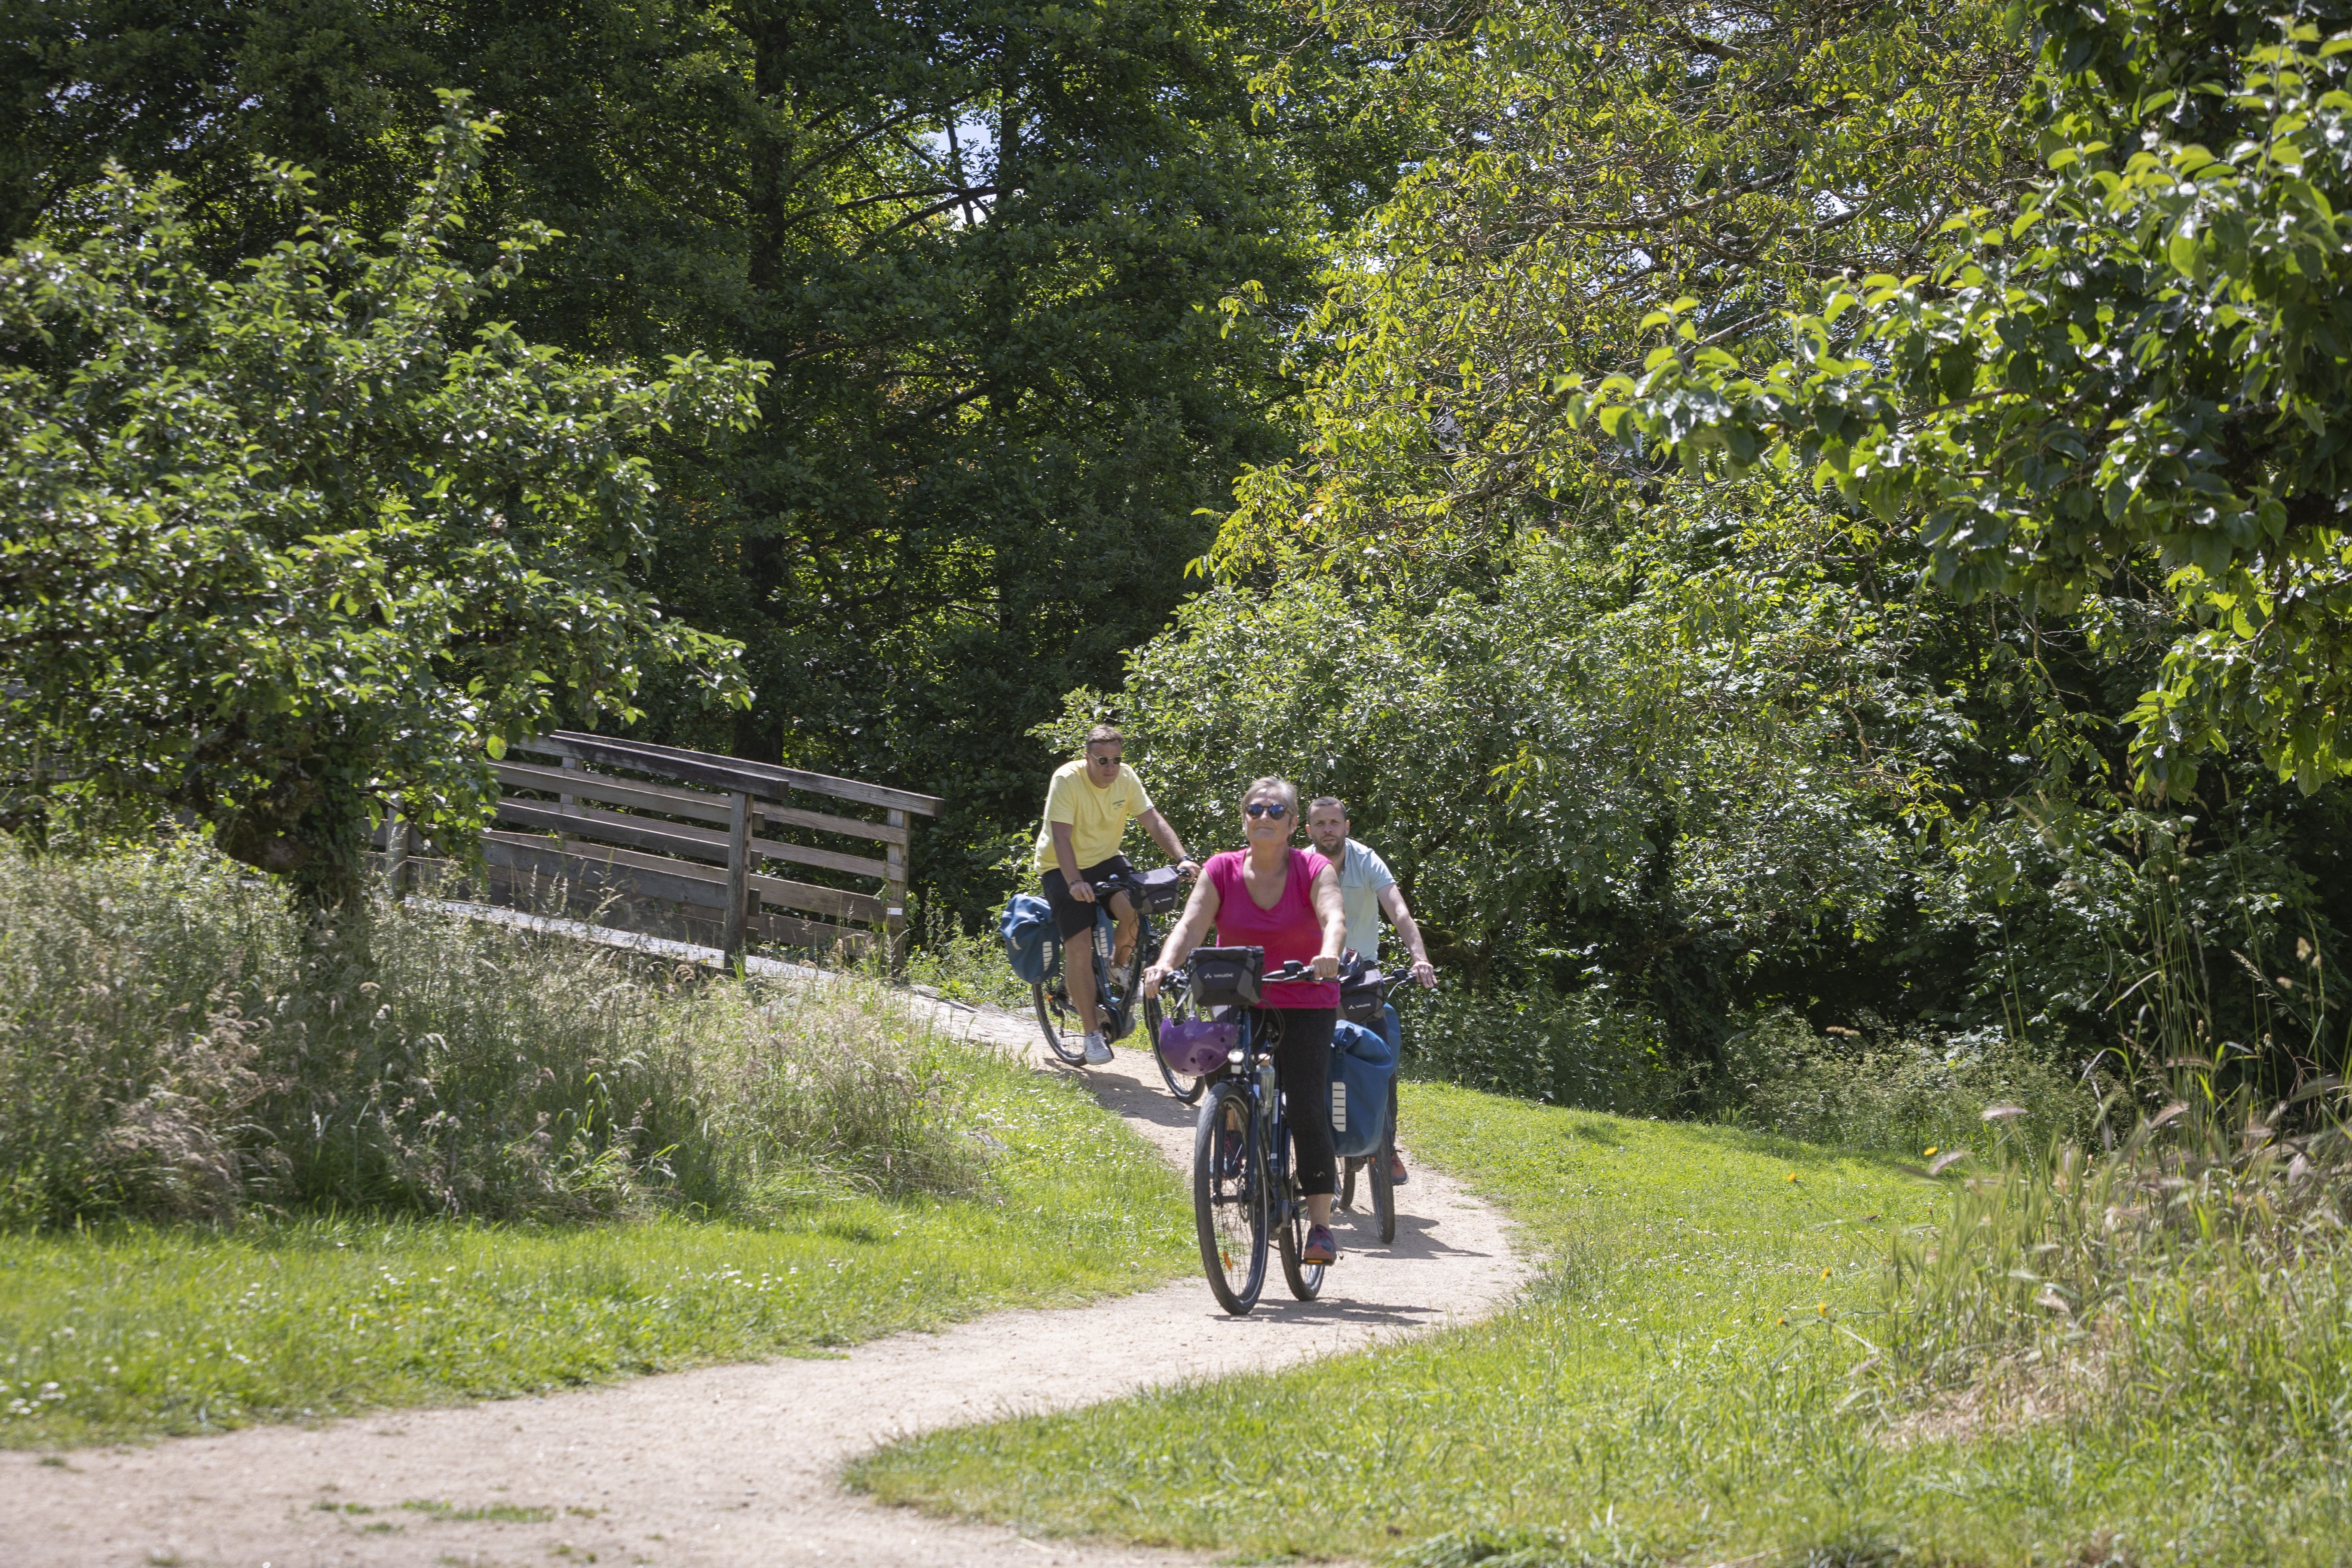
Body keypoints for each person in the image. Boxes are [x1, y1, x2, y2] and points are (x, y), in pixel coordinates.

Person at [1142, 776, 1348, 1265]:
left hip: (1306, 996)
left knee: (1304, 1104)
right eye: (1255, 809)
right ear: (1244, 818)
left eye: (1277, 811)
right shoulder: (1221, 869)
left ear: (1294, 824)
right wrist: (1166, 964)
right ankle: (1233, 1125)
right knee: (1225, 1072)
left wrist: (1328, 954)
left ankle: (1320, 1227)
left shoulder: (1313, 868)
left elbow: (1334, 917)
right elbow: (1191, 924)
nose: (1264, 817)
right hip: (1238, 993)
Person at [1033, 724, 1195, 1065]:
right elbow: (1061, 837)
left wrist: (1182, 858)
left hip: (1107, 859)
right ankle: (1092, 1035)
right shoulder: (1067, 779)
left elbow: (1152, 821)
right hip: (1062, 867)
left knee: (1135, 911)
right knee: (1078, 946)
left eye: (1116, 760)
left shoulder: (1126, 778)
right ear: (1087, 757)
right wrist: (1075, 882)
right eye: (1103, 760)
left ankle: (1116, 967)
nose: (1110, 768)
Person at [1306, 796, 1436, 1186]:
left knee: (1383, 1062)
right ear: (1309, 830)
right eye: (1320, 824)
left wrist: (1420, 957)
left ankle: (1385, 1147)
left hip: (1362, 975)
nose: (1328, 829)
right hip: (1315, 974)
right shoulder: (1300, 864)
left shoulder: (1366, 860)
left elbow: (1398, 911)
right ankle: (1313, 1148)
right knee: (1309, 1063)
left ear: (1347, 826)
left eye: (1334, 822)